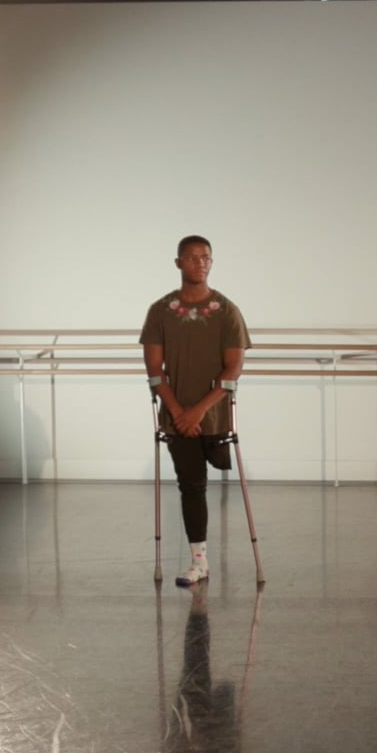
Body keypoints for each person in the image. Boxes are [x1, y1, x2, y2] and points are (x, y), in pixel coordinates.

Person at [141, 235, 251, 585]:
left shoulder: (227, 311)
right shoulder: (160, 311)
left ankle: (203, 560)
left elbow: (232, 368)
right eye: (191, 258)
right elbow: (155, 370)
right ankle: (199, 561)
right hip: (177, 416)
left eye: (205, 258)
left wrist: (198, 412)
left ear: (211, 262)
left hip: (213, 414)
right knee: (191, 485)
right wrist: (179, 412)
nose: (199, 263)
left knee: (210, 478)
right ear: (178, 263)